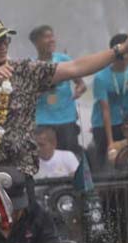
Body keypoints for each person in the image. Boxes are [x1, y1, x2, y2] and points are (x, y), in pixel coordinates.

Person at [0, 14, 128, 182]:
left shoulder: (23, 70)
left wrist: (121, 49)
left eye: (5, 39)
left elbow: (76, 67)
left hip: (20, 177)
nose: (3, 45)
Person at [90, 33, 128, 169]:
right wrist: (110, 142)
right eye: (126, 52)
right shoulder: (101, 78)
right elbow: (105, 110)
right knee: (105, 160)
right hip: (104, 124)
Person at [30, 25, 87, 154]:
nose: (51, 40)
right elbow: (27, 94)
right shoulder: (31, 65)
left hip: (67, 119)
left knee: (70, 156)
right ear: (36, 42)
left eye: (52, 36)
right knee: (46, 157)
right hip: (43, 121)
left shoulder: (64, 60)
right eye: (46, 37)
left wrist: (78, 91)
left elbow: (81, 84)